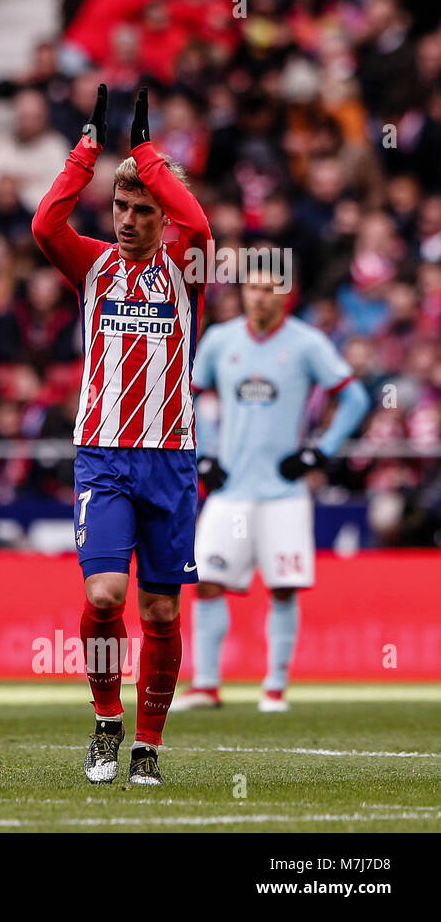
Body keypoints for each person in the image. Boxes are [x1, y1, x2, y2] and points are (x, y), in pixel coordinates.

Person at [32, 85, 210, 786]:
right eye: (121, 206)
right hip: (103, 456)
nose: (129, 219)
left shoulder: (186, 268)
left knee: (161, 610)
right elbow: (46, 227)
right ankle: (108, 721)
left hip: (169, 459)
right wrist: (87, 153)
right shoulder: (93, 265)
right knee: (106, 596)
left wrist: (146, 153)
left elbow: (201, 220)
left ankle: (150, 745)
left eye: (143, 209)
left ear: (162, 216)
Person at [175, 271, 370, 712]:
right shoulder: (220, 341)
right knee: (206, 581)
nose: (259, 297)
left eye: (269, 289)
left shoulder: (307, 343)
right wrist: (203, 455)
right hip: (231, 491)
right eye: (252, 288)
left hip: (283, 493)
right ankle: (206, 684)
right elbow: (188, 397)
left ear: (286, 295)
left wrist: (318, 453)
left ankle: (275, 687)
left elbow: (355, 397)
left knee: (282, 588)